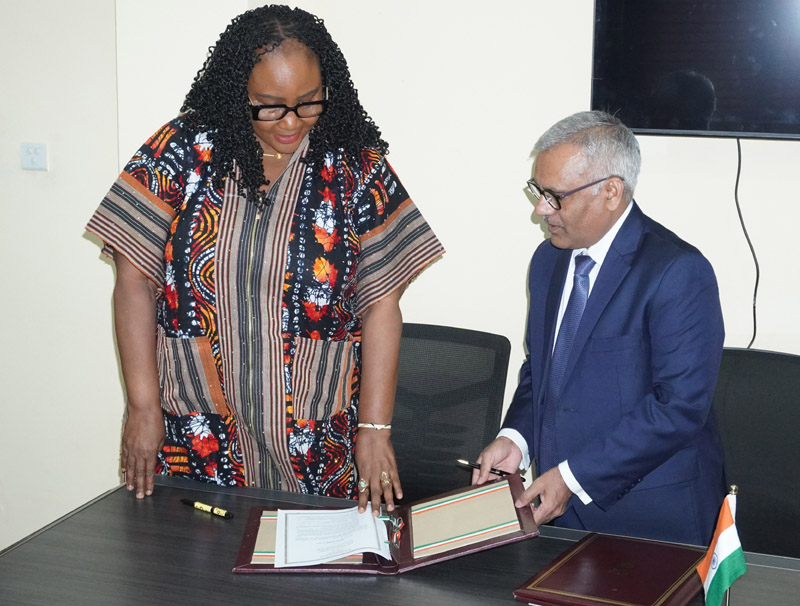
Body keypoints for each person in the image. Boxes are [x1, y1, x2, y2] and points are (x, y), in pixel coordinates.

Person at [86, 5, 444, 515]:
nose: (291, 122)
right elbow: (133, 280)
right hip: (197, 430)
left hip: (315, 435)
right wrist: (142, 406)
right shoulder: (180, 152)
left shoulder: (354, 169)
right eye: (270, 106)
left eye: (309, 102)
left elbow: (382, 304)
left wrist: (374, 429)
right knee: (193, 574)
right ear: (239, 93)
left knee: (316, 581)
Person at [473, 111, 725, 545]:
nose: (540, 209)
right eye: (538, 191)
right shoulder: (548, 261)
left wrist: (573, 477)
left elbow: (678, 407)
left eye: (554, 196)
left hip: (652, 518)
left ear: (611, 191)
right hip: (561, 509)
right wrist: (516, 438)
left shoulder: (677, 271)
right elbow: (544, 370)